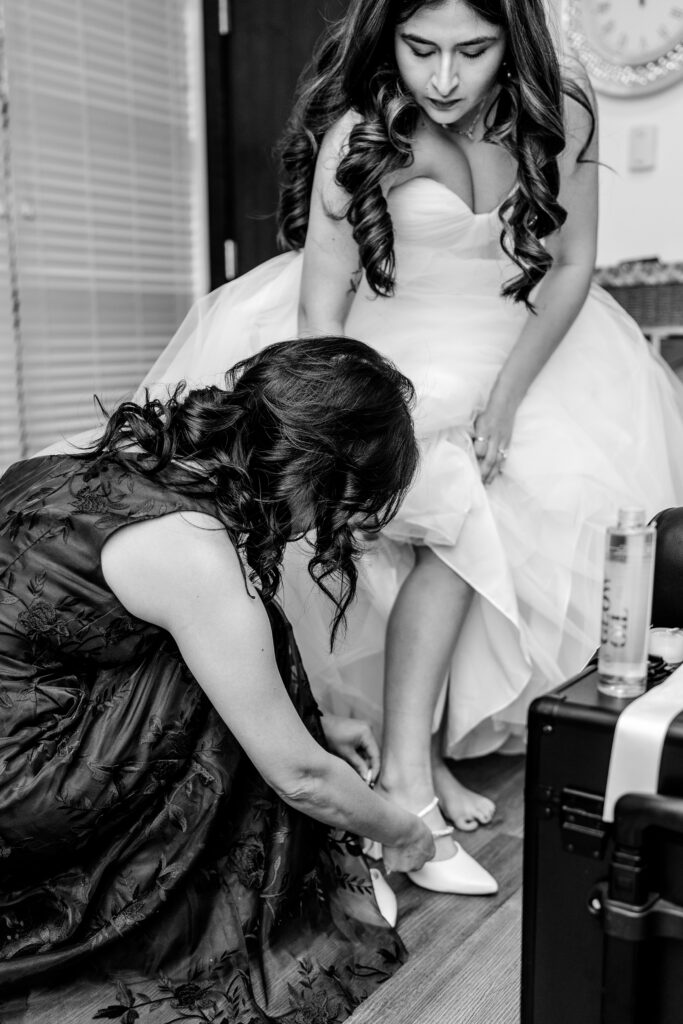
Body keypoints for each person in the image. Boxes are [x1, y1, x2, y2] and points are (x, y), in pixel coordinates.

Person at [138, 0, 683, 894]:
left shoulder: (563, 109)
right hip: (376, 348)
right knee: (445, 505)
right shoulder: (363, 127)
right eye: (419, 47)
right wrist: (349, 435)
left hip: (514, 345)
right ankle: (405, 772)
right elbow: (322, 304)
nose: (442, 77)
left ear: (515, 41)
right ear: (386, 37)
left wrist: (506, 399)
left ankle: (417, 763)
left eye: (472, 51)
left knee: (522, 493)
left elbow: (574, 263)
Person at [0, 337, 450, 1024]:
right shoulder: (193, 554)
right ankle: (201, 920)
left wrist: (318, 721)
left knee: (228, 641)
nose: (327, 532)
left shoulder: (95, 458)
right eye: (344, 505)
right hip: (16, 793)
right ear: (315, 471)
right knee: (232, 643)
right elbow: (297, 776)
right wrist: (403, 830)